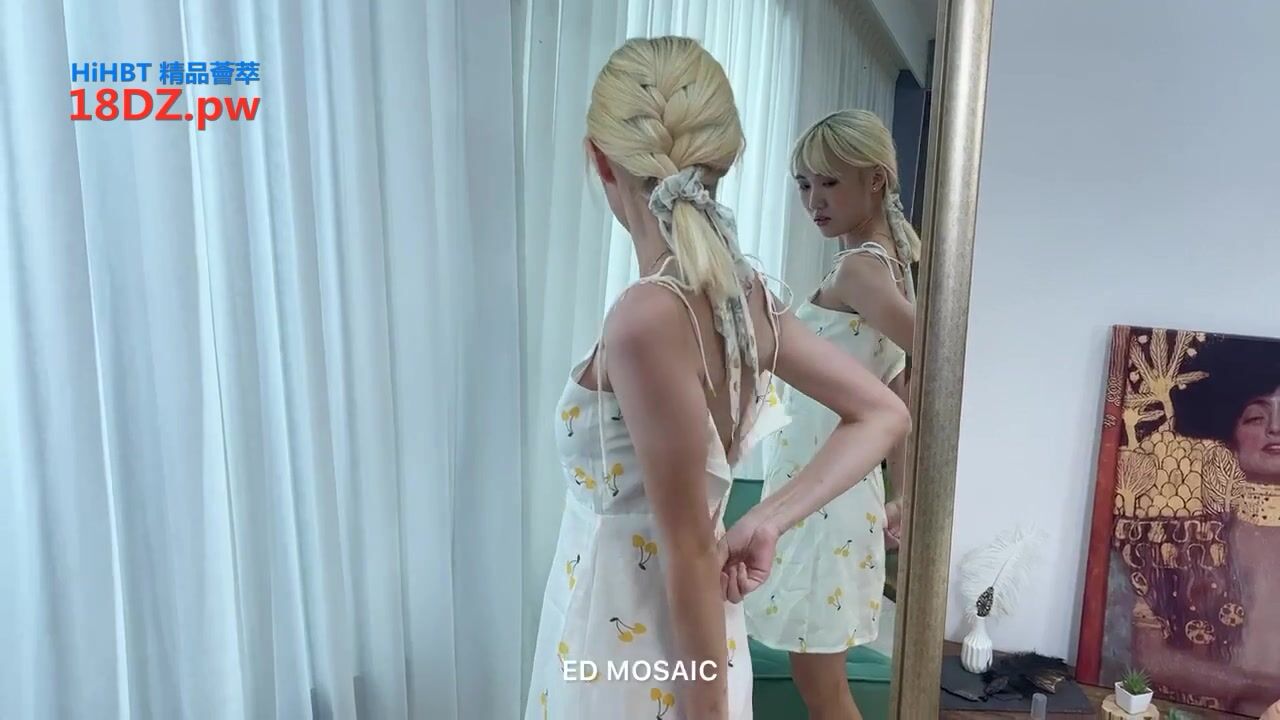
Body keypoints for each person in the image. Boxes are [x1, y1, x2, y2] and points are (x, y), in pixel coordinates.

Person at [523, 39, 911, 720]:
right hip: (677, 639)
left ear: (600, 160)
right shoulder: (744, 295)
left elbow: (687, 552)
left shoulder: (648, 316)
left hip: (634, 648)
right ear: (725, 158)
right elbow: (885, 413)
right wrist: (767, 520)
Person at [738, 109, 919, 720]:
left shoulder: (860, 269)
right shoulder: (885, 268)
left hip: (825, 503)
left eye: (830, 183)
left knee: (822, 689)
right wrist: (902, 492)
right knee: (820, 682)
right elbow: (899, 394)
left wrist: (904, 491)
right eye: (803, 184)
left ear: (876, 180)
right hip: (834, 494)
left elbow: (939, 363)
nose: (813, 200)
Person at [1122, 335, 1280, 716]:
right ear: (1229, 432)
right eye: (1257, 417)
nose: (1275, 429)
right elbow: (1150, 660)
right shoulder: (1179, 542)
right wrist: (1258, 688)